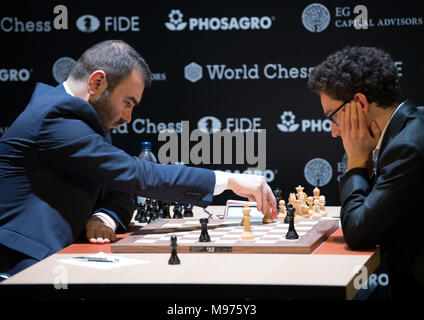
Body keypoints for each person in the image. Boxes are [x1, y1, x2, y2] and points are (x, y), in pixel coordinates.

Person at [0, 40, 276, 280]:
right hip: (24, 266)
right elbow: (136, 175)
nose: (128, 118)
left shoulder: (83, 121)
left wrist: (105, 216)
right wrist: (228, 180)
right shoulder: (57, 119)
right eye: (128, 102)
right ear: (97, 82)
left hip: (62, 259)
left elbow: (121, 188)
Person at [308, 46, 424, 299]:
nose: (333, 131)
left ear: (359, 103)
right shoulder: (410, 126)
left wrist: (357, 160)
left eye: (334, 117)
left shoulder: (406, 148)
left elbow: (359, 232)